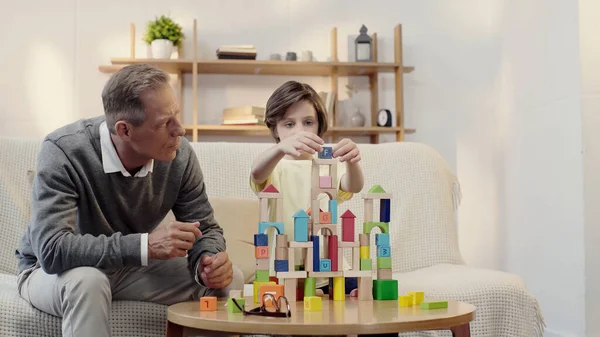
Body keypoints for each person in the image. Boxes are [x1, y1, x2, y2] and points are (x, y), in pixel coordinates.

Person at [14, 64, 244, 337]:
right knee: (89, 281)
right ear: (124, 130)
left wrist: (207, 261)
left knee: (230, 280)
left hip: (127, 269)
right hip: (55, 273)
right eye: (163, 123)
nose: (179, 130)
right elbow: (52, 250)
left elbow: (204, 227)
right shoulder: (63, 150)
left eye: (176, 116)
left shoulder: (178, 155)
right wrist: (145, 245)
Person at [249, 80, 365, 296]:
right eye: (289, 124)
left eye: (308, 122)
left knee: (367, 299)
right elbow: (257, 173)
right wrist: (279, 149)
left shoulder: (326, 166)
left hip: (332, 268)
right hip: (288, 269)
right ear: (275, 130)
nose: (300, 131)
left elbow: (354, 185)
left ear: (319, 126)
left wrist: (352, 161)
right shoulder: (275, 168)